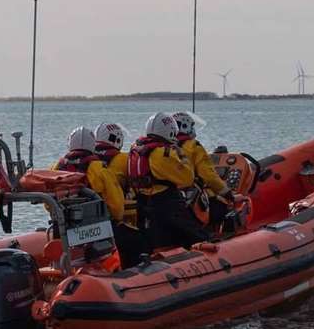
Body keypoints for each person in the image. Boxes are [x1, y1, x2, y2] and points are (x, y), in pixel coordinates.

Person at [54, 126, 142, 267]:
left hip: (63, 228)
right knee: (135, 240)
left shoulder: (56, 167)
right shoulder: (99, 168)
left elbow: (49, 202)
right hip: (97, 230)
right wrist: (117, 218)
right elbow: (116, 204)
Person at [127, 112, 206, 250]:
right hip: (166, 202)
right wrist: (181, 154)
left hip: (142, 202)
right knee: (194, 233)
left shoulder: (136, 149)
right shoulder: (164, 153)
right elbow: (187, 178)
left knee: (157, 239)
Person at [171, 110, 236, 232]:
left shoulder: (164, 148)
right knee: (222, 208)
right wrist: (226, 192)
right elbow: (208, 176)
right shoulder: (193, 146)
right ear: (186, 127)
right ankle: (218, 235)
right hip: (193, 199)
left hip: (172, 197)